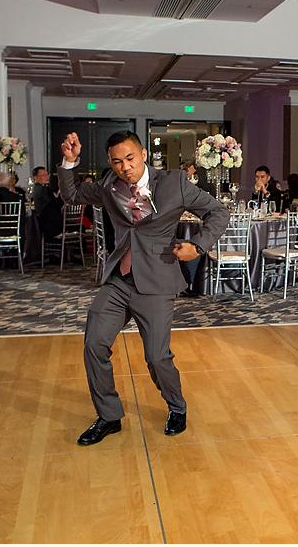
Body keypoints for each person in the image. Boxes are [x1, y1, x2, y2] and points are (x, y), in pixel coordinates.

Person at [58, 130, 230, 445]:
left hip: (157, 281)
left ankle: (177, 406)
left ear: (143, 155)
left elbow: (218, 212)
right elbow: (72, 195)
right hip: (119, 279)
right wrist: (69, 163)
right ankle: (109, 415)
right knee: (94, 344)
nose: (124, 167)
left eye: (130, 158)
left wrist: (199, 246)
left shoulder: (174, 182)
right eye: (116, 161)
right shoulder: (110, 185)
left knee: (156, 356)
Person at [31, 166, 63, 240]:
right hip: (50, 225)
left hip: (44, 223)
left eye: (47, 174)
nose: (47, 177)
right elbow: (56, 205)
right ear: (35, 178)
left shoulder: (36, 188)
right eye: (43, 175)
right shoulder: (43, 189)